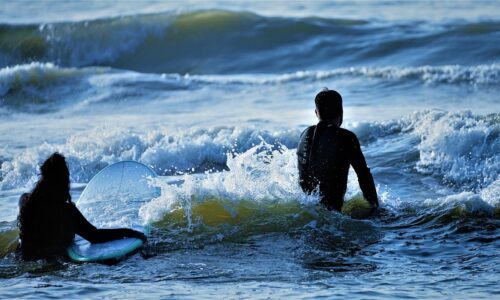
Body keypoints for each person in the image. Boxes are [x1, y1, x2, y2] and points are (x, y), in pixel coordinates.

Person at [17, 153, 146, 260]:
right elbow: (95, 236)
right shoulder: (66, 211)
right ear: (64, 180)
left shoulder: (25, 202)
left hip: (25, 258)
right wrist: (130, 232)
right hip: (55, 261)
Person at [297, 89, 379, 212]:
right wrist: (375, 207)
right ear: (341, 112)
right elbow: (364, 175)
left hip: (306, 212)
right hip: (332, 214)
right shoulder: (345, 137)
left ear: (316, 112)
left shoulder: (304, 134)